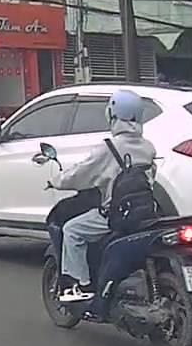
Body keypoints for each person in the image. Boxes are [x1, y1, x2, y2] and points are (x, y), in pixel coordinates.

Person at [51, 89, 157, 303]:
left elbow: (82, 173)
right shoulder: (148, 147)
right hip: (145, 212)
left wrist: (57, 181)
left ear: (112, 114)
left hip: (116, 215)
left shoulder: (109, 147)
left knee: (72, 230)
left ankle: (81, 286)